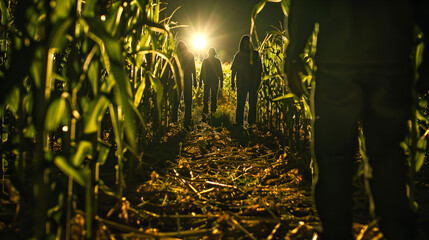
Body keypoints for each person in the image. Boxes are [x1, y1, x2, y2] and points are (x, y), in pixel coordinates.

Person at [285, 0, 428, 239]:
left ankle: (335, 232)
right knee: (387, 153)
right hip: (391, 57)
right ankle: (396, 230)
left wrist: (293, 53)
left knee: (334, 155)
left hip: (337, 60)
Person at [231, 35, 262, 126]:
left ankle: (251, 123)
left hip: (253, 83)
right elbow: (234, 70)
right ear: (241, 44)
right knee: (240, 103)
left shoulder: (256, 54)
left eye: (247, 42)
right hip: (241, 82)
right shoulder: (239, 55)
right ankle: (239, 123)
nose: (245, 44)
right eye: (244, 42)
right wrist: (232, 81)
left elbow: (260, 70)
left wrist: (258, 82)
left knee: (253, 104)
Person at [172, 41, 197, 126]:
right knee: (187, 101)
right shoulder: (189, 55)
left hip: (179, 80)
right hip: (186, 80)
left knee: (176, 101)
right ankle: (187, 121)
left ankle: (174, 121)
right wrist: (195, 81)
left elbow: (172, 70)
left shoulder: (176, 56)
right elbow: (193, 70)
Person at [199, 47, 224, 119]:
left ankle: (207, 111)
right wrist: (221, 82)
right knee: (210, 97)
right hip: (212, 81)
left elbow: (202, 72)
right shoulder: (215, 61)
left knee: (208, 97)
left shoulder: (206, 61)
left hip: (209, 81)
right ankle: (210, 111)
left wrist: (200, 82)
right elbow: (202, 72)